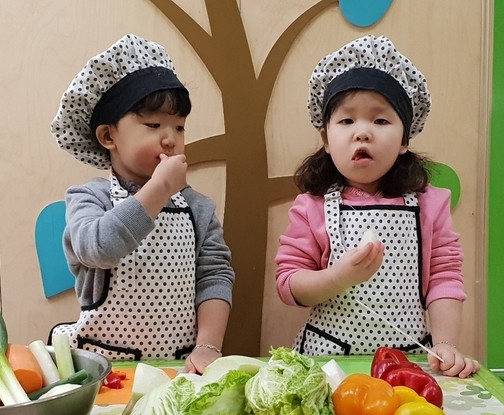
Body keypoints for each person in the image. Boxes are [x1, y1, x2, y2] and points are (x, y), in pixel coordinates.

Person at [275, 35, 479, 378]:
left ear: (404, 141)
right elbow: (289, 285)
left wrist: (447, 343)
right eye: (346, 121)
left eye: (381, 121)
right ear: (326, 139)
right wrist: (338, 277)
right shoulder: (311, 206)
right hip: (329, 363)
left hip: (407, 365)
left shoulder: (430, 204)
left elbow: (444, 277)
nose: (363, 133)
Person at [50, 34, 234, 373]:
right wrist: (159, 188)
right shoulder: (89, 198)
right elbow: (99, 248)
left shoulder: (199, 208)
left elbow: (215, 276)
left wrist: (208, 346)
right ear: (108, 137)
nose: (170, 138)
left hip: (178, 368)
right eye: (153, 125)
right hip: (106, 371)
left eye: (179, 127)